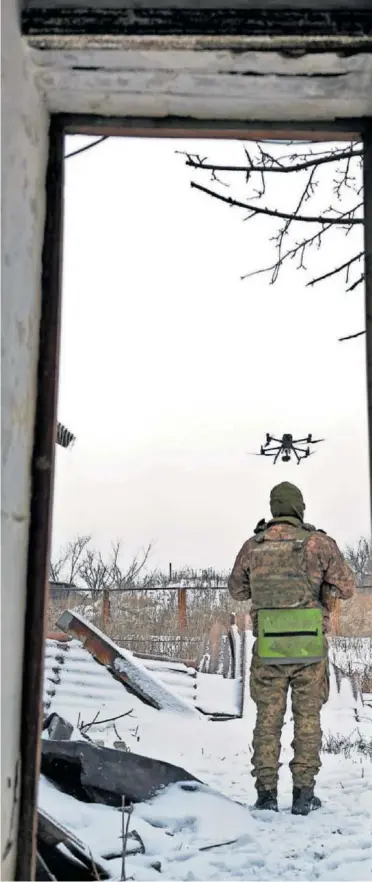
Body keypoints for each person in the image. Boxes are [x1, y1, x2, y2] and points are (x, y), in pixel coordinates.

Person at [228, 481, 356, 816]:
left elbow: (237, 592)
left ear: (273, 508)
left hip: (269, 648)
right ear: (299, 507)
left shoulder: (253, 545)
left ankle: (266, 795)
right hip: (309, 649)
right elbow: (347, 587)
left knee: (267, 719)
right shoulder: (318, 543)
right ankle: (303, 796)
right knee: (308, 718)